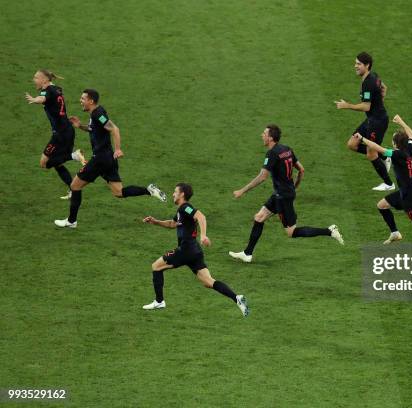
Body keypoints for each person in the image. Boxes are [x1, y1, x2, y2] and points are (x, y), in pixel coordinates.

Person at [229, 124, 344, 263]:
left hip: (282, 197)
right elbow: (301, 170)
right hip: (283, 193)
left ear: (271, 138)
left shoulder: (272, 153)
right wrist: (294, 187)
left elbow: (262, 176)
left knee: (291, 232)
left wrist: (242, 190)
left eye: (264, 133)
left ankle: (329, 231)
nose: (262, 135)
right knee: (259, 217)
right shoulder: (287, 149)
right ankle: (247, 254)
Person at [54, 89, 166, 228]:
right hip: (108, 159)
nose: (80, 101)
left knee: (75, 186)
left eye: (83, 98)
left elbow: (114, 129)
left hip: (100, 159)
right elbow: (94, 128)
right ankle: (149, 190)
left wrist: (118, 149)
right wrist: (80, 126)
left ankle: (71, 221)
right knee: (118, 192)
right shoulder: (96, 113)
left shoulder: (98, 114)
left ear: (91, 101)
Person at [142, 183, 249, 316]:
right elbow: (172, 223)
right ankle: (236, 298)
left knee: (156, 266)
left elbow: (201, 216)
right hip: (194, 251)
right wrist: (156, 221)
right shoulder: (181, 211)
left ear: (182, 194)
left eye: (175, 192)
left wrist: (203, 235)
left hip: (186, 249)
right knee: (209, 282)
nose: (173, 194)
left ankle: (159, 301)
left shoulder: (185, 207)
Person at [355, 114, 412, 252]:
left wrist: (363, 139)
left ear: (395, 144)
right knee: (382, 205)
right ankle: (395, 233)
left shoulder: (398, 155)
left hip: (409, 199)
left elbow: (378, 148)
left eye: (392, 141)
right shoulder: (409, 149)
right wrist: (401, 122)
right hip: (404, 193)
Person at [335, 52, 394, 191]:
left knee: (370, 153)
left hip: (378, 122)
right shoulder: (373, 76)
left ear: (367, 65)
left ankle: (389, 184)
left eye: (358, 64)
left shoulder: (368, 82)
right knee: (352, 144)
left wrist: (347, 105)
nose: (355, 66)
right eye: (355, 63)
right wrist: (380, 100)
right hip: (372, 119)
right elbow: (384, 88)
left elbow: (366, 106)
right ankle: (385, 155)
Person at [25, 69, 86, 199]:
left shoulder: (47, 90)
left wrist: (35, 99)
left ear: (45, 80)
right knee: (57, 163)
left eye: (36, 77)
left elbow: (43, 98)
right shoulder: (57, 88)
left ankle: (74, 156)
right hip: (67, 131)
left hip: (60, 134)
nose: (34, 80)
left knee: (44, 163)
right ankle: (72, 189)